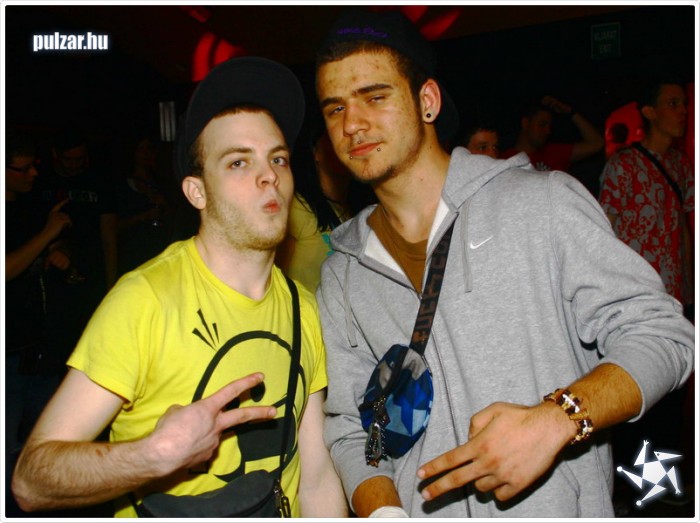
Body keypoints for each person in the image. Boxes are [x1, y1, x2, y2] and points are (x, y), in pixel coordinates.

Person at [314, 10, 694, 518]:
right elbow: (352, 428)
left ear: (427, 101)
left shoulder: (542, 204)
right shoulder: (343, 273)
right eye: (335, 108)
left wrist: (558, 418)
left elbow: (662, 335)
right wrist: (384, 511)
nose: (352, 124)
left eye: (374, 97)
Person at [12, 56, 347, 518]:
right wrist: (153, 455)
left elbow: (316, 476)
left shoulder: (301, 307)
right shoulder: (145, 299)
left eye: (278, 158)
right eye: (238, 161)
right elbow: (31, 479)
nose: (269, 174)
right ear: (197, 192)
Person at [276, 121, 374, 291]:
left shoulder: (359, 214)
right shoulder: (297, 208)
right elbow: (273, 278)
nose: (344, 145)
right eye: (331, 139)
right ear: (315, 153)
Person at [502, 95, 604, 172]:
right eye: (542, 125)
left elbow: (596, 143)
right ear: (525, 123)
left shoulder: (554, 153)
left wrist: (570, 113)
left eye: (549, 126)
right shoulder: (504, 160)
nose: (548, 131)